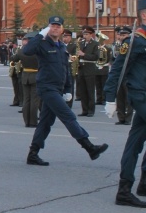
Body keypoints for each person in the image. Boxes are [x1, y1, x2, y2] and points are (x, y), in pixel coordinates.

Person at [21, 16, 108, 167]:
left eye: (58, 26)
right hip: (46, 88)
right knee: (68, 116)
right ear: (48, 28)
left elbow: (65, 69)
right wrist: (40, 34)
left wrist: (68, 89)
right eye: (52, 26)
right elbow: (27, 50)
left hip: (58, 88)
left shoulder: (61, 46)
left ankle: (33, 154)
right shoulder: (41, 43)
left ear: (61, 29)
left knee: (45, 123)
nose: (55, 28)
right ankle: (89, 147)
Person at [103, 0, 146, 208]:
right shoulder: (135, 40)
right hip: (141, 95)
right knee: (135, 142)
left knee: (136, 141)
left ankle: (129, 188)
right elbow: (118, 69)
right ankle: (127, 188)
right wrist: (110, 98)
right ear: (144, 15)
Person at [11, 33, 40, 128]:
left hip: (25, 76)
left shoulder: (21, 51)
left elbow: (13, 59)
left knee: (26, 100)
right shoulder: (37, 52)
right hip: (36, 75)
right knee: (34, 100)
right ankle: (33, 121)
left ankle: (26, 121)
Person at [76, 26, 99, 116]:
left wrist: (84, 54)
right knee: (83, 91)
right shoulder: (81, 43)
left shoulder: (95, 44)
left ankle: (91, 110)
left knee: (90, 91)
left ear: (91, 35)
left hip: (90, 68)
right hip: (81, 69)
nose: (84, 36)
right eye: (84, 34)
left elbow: (95, 57)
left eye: (86, 34)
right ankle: (84, 110)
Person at [112, 26, 133, 125]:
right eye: (120, 35)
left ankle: (128, 118)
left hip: (128, 74)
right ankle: (121, 118)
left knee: (128, 98)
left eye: (124, 35)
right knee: (119, 97)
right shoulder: (116, 46)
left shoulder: (131, 45)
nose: (121, 37)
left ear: (129, 35)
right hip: (119, 74)